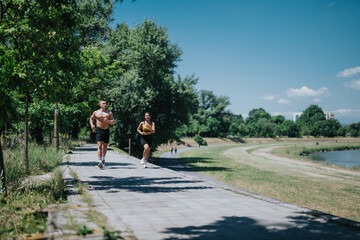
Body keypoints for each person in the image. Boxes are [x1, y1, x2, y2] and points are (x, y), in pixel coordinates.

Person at [89, 100, 115, 169]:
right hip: (99, 130)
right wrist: (92, 125)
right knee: (99, 145)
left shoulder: (109, 112)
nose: (105, 104)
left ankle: (103, 157)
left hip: (106, 130)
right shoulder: (96, 112)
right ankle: (100, 161)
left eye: (105, 103)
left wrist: (108, 121)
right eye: (103, 103)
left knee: (105, 146)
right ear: (100, 105)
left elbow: (113, 122)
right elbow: (91, 119)